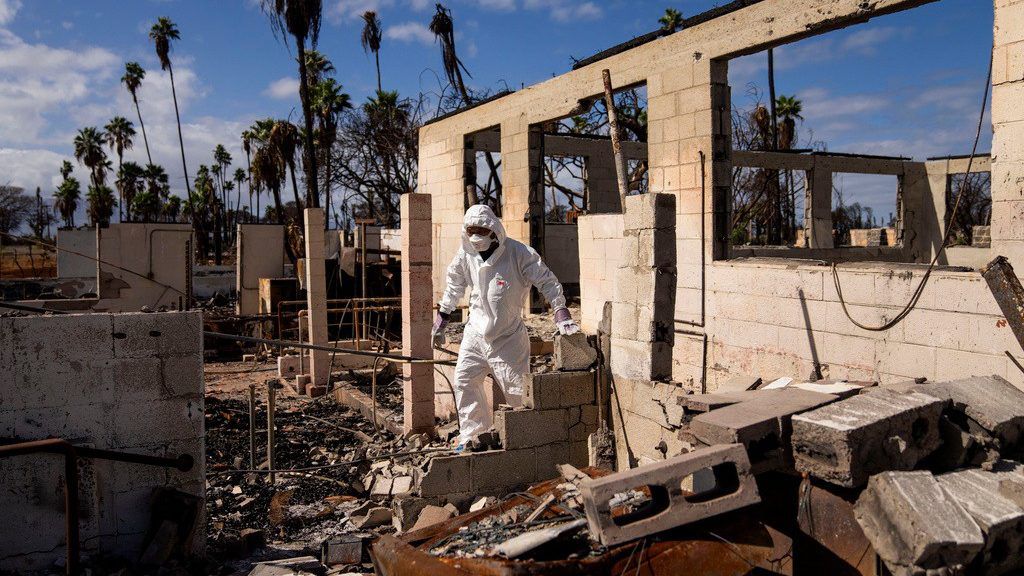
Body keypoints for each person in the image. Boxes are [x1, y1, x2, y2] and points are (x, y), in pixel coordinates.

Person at [432, 204, 579, 451]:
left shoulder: (518, 253)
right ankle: (472, 436)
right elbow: (454, 285)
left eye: (481, 230)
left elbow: (547, 282)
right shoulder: (465, 254)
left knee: (518, 392)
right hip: (475, 334)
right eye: (471, 231)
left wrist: (561, 312)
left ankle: (525, 443)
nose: (476, 236)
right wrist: (442, 318)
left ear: (493, 230)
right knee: (464, 381)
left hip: (507, 338)